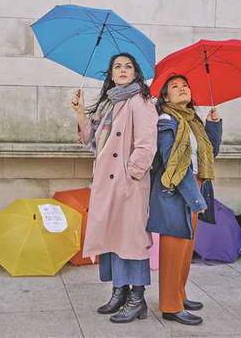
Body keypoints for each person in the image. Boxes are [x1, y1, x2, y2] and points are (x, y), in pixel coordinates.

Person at [71, 52, 158, 323]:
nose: (122, 70)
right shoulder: (108, 103)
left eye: (128, 66)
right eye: (117, 66)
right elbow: (91, 142)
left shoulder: (140, 101)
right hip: (106, 184)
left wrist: (131, 174)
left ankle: (137, 298)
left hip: (127, 185)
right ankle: (119, 291)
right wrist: (79, 112)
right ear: (110, 74)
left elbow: (146, 144)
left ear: (135, 73)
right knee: (112, 239)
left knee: (130, 241)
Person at [147, 74, 222, 325]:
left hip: (195, 186)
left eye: (185, 85)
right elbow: (172, 161)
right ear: (166, 96)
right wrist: (195, 198)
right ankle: (170, 305)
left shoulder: (193, 121)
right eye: (175, 87)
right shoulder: (166, 120)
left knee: (186, 249)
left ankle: (180, 294)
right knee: (173, 251)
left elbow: (209, 152)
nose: (182, 89)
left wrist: (214, 124)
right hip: (176, 190)